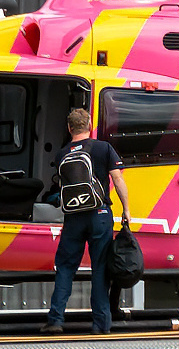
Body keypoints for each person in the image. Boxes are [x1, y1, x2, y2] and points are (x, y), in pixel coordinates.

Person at [43, 109, 129, 334]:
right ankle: (100, 325)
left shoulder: (61, 154)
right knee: (100, 268)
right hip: (99, 214)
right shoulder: (103, 148)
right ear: (90, 125)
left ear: (69, 128)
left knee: (65, 267)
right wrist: (126, 210)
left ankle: (55, 321)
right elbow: (118, 180)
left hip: (73, 217)